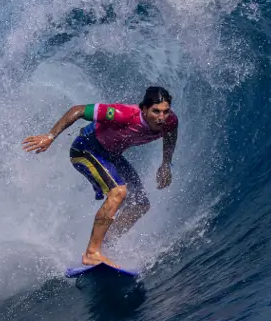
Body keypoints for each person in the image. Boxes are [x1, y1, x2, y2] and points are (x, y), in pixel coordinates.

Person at [22, 86, 178, 267]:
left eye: (165, 111)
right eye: (156, 111)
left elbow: (170, 135)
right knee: (118, 191)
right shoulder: (124, 114)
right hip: (86, 149)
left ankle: (106, 243)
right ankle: (92, 253)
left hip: (112, 155)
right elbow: (78, 110)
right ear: (144, 109)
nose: (161, 117)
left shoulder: (170, 121)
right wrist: (50, 136)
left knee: (141, 205)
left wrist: (166, 163)